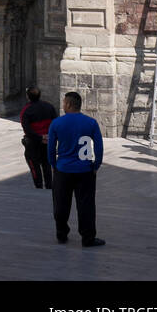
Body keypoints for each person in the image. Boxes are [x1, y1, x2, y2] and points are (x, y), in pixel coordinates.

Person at [47, 91, 105, 247]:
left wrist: (53, 164)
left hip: (63, 169)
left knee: (60, 204)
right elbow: (99, 146)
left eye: (64, 102)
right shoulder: (91, 123)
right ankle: (88, 237)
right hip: (85, 170)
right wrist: (96, 165)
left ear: (69, 104)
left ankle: (61, 234)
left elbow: (51, 148)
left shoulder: (57, 123)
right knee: (86, 205)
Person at [20, 85, 57, 190]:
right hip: (48, 140)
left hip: (34, 142)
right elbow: (55, 123)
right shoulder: (49, 107)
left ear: (28, 97)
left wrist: (40, 138)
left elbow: (27, 129)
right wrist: (49, 136)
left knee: (34, 164)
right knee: (46, 163)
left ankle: (38, 185)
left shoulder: (26, 110)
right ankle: (49, 184)